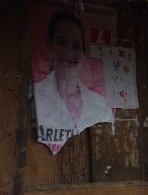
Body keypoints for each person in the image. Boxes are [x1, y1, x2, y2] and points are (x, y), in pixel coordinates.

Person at [34, 10, 112, 150]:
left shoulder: (101, 105)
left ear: (83, 53)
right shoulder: (34, 95)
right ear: (50, 47)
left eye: (76, 45)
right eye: (61, 42)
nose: (69, 52)